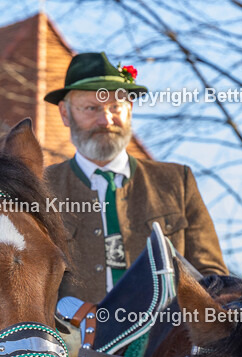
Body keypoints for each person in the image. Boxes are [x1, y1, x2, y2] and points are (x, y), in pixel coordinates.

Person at [44, 52, 228, 302]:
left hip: (165, 336)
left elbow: (213, 278)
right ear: (65, 114)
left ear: (129, 109)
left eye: (115, 107)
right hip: (75, 336)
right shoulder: (41, 189)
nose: (106, 119)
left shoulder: (176, 182)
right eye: (91, 108)